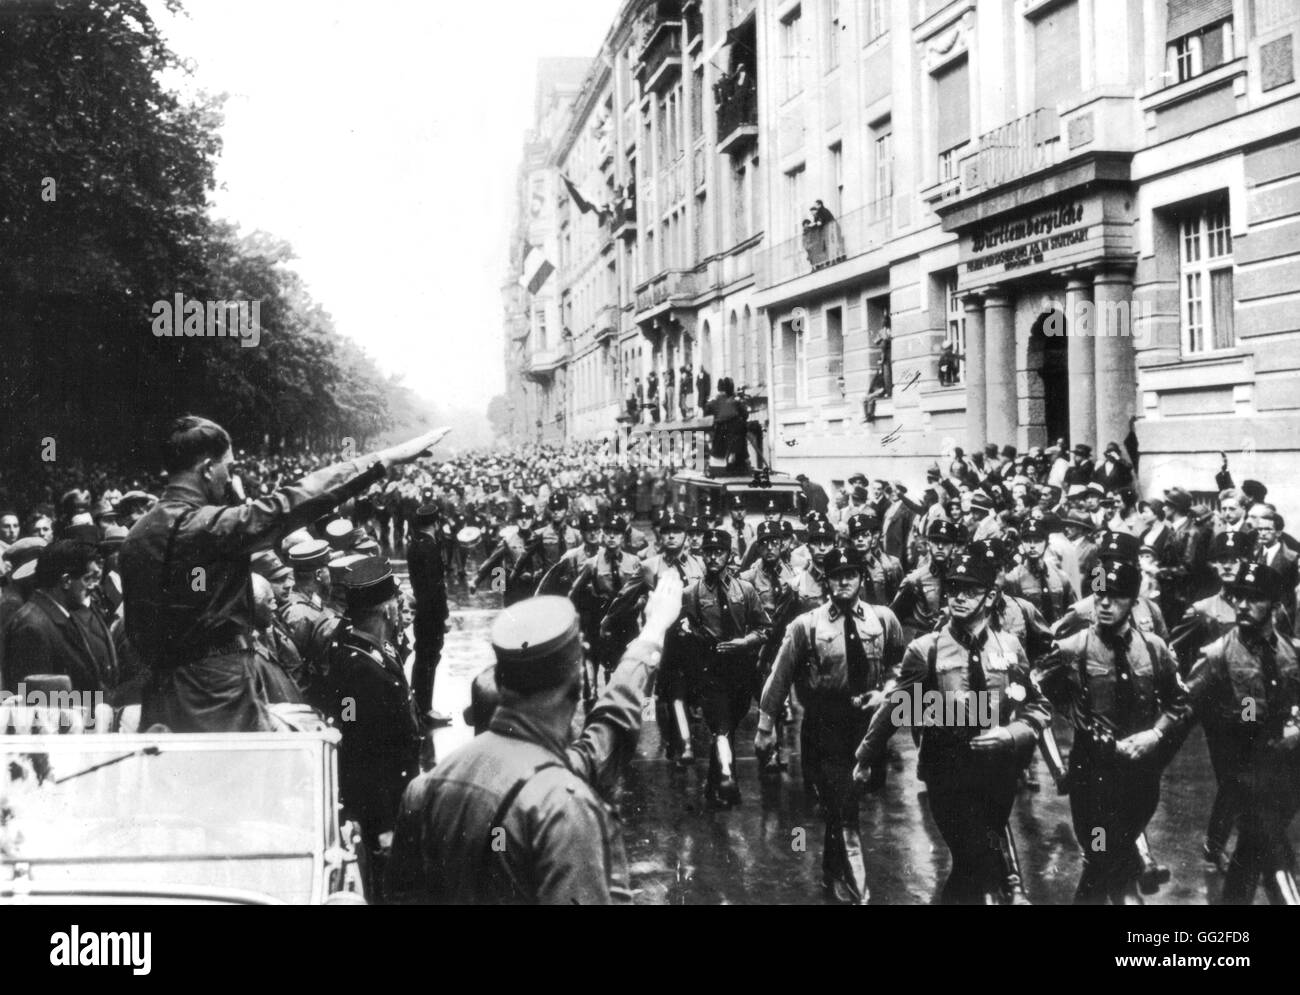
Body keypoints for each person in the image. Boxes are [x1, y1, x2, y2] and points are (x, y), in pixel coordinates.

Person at [120, 415, 449, 733]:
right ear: (207, 469)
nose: (230, 479)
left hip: (160, 698)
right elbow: (297, 499)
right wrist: (385, 459)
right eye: (228, 469)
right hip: (218, 698)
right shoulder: (211, 527)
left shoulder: (136, 535)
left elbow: (136, 633)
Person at [385, 576, 684, 905]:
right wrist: (654, 628)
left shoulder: (426, 787)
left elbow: (605, 731)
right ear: (576, 678)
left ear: (502, 677)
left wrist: (652, 634)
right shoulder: (561, 807)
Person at [857, 548, 1046, 904]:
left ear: (990, 596)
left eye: (970, 590)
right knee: (974, 855)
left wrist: (1009, 733)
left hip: (998, 772)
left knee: (969, 867)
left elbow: (1037, 706)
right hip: (948, 771)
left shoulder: (1009, 646)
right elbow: (896, 707)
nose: (959, 597)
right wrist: (865, 756)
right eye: (954, 588)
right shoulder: (925, 649)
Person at [1036, 560, 1191, 904]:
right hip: (1092, 773)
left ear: (1134, 601)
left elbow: (1179, 700)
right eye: (1100, 594)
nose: (1105, 603)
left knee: (1111, 858)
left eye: (1116, 596)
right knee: (1102, 850)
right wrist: (1068, 723)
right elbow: (1034, 697)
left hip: (1140, 778)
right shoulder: (1071, 648)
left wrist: (1156, 734)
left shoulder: (1154, 648)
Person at [760, 548, 906, 903]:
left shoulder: (883, 620)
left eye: (851, 574)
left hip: (868, 726)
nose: (844, 581)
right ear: (826, 579)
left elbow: (899, 669)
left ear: (860, 578)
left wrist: (886, 694)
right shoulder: (807, 625)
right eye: (837, 574)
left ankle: (830, 872)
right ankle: (860, 889)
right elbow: (780, 676)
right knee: (843, 805)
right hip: (824, 724)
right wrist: (766, 725)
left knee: (845, 805)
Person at [1185, 562, 1300, 904]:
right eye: (1239, 597)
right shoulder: (1216, 655)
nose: (1244, 606)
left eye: (1255, 599)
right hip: (1242, 771)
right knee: (1275, 852)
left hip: (1286, 770)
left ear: (1276, 605)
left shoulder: (1291, 651)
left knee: (1251, 853)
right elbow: (1183, 711)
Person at [325, 556, 423, 874]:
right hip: (383, 805)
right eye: (396, 600)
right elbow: (360, 749)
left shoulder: (380, 648)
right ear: (387, 608)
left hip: (400, 792)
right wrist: (382, 824)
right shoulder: (358, 667)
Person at [678, 529, 770, 805]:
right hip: (711, 669)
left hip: (741, 669)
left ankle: (713, 784)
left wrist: (743, 643)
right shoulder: (692, 592)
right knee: (721, 725)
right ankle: (728, 780)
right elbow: (685, 633)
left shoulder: (746, 590)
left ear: (730, 555)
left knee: (731, 722)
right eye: (708, 552)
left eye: (719, 552)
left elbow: (764, 629)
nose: (714, 556)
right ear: (702, 555)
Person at [3, 539, 118, 699]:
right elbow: (36, 706)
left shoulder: (59, 615)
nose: (92, 586)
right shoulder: (32, 627)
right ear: (65, 581)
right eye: (87, 578)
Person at [406, 504, 452, 726]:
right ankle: (426, 709)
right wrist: (444, 616)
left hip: (423, 612)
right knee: (429, 659)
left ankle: (420, 706)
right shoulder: (430, 547)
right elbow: (436, 586)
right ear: (436, 523)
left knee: (422, 659)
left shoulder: (415, 544)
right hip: (432, 614)